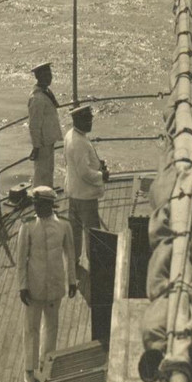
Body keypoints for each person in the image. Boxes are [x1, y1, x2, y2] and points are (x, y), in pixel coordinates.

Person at [16, 186, 76, 382]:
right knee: (31, 328)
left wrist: (72, 281)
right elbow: (21, 258)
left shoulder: (64, 226)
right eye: (34, 203)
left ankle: (47, 364)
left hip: (55, 285)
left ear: (50, 204)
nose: (36, 207)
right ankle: (29, 369)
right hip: (34, 285)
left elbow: (70, 254)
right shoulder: (28, 225)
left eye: (39, 204)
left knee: (52, 327)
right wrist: (22, 286)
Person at [63, 104, 108, 268]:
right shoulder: (80, 142)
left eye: (91, 119)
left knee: (74, 230)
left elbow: (71, 164)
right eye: (87, 120)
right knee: (92, 232)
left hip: (73, 192)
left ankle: (73, 261)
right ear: (77, 120)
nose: (90, 123)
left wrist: (97, 164)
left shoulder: (70, 135)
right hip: (85, 196)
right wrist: (102, 176)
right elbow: (84, 173)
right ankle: (95, 263)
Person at [28, 62, 62, 189]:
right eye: (46, 75)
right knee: (41, 174)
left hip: (48, 139)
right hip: (42, 142)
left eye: (50, 74)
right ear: (39, 77)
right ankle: (41, 199)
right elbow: (34, 125)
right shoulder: (37, 99)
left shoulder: (46, 92)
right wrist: (36, 146)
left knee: (48, 171)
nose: (50, 78)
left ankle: (47, 195)